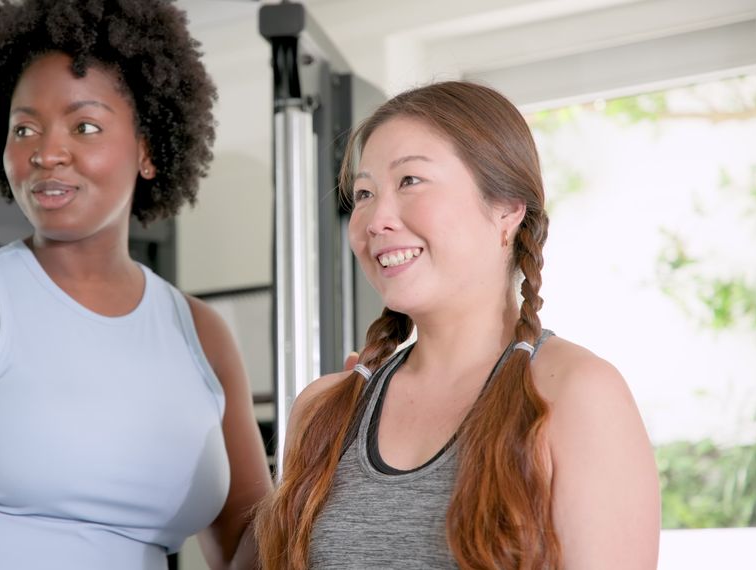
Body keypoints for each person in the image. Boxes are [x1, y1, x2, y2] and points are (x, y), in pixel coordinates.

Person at [0, 1, 271, 568]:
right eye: (25, 128)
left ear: (148, 149)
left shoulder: (202, 335)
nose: (46, 152)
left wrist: (320, 449)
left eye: (84, 126)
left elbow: (250, 551)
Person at [254, 81, 661, 569]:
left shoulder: (576, 394)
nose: (375, 218)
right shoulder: (322, 409)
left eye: (410, 181)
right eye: (364, 193)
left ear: (507, 208)